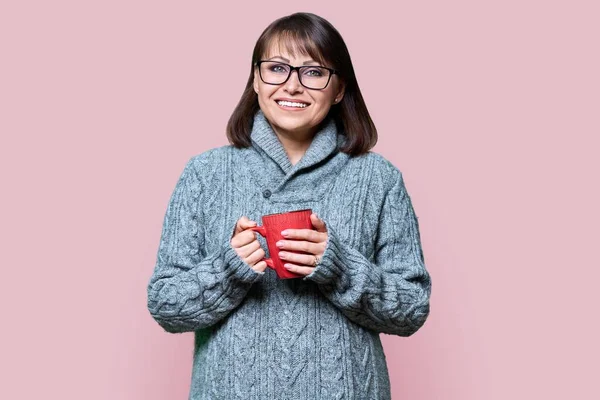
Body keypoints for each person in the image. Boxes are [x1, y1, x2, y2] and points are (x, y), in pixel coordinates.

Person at [146, 12, 432, 400]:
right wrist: (228, 269)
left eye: (313, 72)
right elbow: (165, 305)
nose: (293, 86)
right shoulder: (205, 173)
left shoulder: (377, 178)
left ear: (339, 88)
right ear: (256, 81)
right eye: (277, 68)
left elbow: (412, 309)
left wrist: (338, 267)